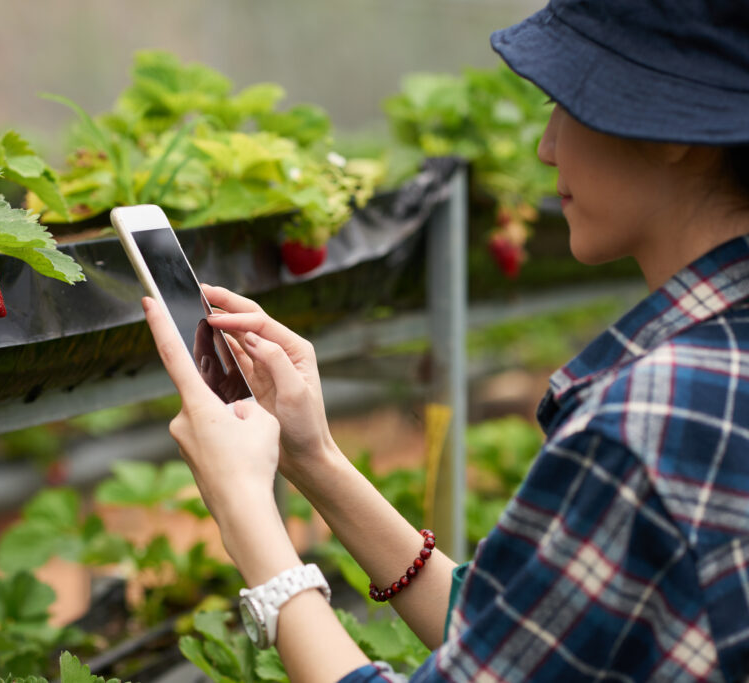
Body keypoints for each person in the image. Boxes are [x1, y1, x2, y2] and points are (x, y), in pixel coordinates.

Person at [141, 0, 749, 680]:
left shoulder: (649, 422)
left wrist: (246, 512)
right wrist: (313, 458)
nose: (548, 146)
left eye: (568, 104)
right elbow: (519, 644)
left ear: (672, 127)